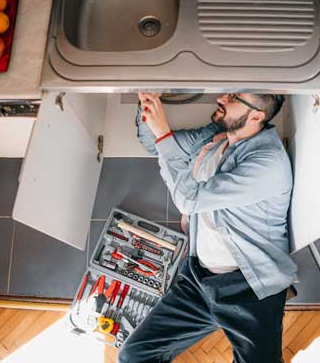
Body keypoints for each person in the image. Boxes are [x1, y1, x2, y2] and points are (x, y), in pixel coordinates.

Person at [117, 92, 298, 363]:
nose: (221, 97)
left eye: (234, 97)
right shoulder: (215, 138)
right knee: (134, 356)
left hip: (248, 286)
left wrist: (164, 135)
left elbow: (190, 199)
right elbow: (153, 142)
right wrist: (149, 100)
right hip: (199, 278)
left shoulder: (267, 162)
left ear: (256, 116)